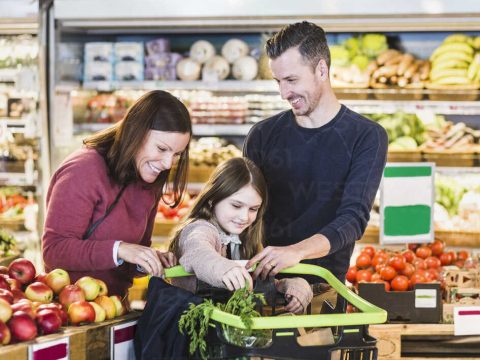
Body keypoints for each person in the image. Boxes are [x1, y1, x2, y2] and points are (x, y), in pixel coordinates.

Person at [244, 21, 388, 308]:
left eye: (292, 80)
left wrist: (295, 253)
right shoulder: (262, 135)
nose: (284, 93)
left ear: (321, 70)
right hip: (263, 286)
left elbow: (353, 218)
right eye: (278, 82)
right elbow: (241, 213)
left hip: (327, 290)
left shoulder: (366, 136)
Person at [42, 90, 191, 297]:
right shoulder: (83, 169)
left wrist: (146, 260)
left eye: (176, 154)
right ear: (135, 133)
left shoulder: (149, 180)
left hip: (115, 310)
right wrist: (119, 249)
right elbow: (54, 250)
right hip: (70, 311)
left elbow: (128, 258)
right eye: (161, 149)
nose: (168, 163)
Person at [168, 157, 313, 314]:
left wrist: (284, 286)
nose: (244, 217)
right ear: (212, 199)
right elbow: (198, 252)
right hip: (187, 327)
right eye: (236, 205)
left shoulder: (246, 237)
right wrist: (222, 268)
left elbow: (253, 286)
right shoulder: (200, 229)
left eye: (253, 209)